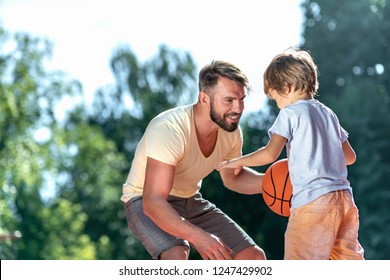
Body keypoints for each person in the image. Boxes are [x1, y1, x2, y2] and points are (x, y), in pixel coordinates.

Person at [216, 48, 365, 260]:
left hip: (312, 203)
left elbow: (269, 154)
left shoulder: (290, 113)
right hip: (344, 200)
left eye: (276, 99)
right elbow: (350, 157)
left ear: (287, 87)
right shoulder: (327, 113)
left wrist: (235, 162)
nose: (278, 105)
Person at [121, 60, 266, 260]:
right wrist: (200, 237)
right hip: (143, 199)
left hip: (189, 201)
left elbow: (234, 178)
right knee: (178, 254)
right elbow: (153, 202)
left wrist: (277, 181)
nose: (238, 108)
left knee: (252, 259)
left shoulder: (230, 131)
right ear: (204, 98)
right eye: (229, 100)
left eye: (242, 99)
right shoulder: (170, 129)